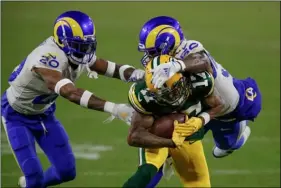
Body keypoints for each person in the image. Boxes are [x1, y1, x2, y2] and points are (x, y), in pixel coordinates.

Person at [1, 10, 144, 188]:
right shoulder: (47, 58)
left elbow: (108, 67)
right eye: (79, 45)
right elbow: (71, 93)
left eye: (87, 45)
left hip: (44, 114)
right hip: (17, 115)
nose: (85, 51)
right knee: (35, 178)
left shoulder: (74, 51)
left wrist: (139, 75)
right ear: (62, 41)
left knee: (67, 171)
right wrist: (113, 108)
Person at [136, 16, 262, 187]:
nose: (148, 57)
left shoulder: (188, 49)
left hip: (227, 110)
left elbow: (201, 62)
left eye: (152, 52)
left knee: (225, 147)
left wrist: (177, 65)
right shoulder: (167, 62)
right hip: (198, 108)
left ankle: (236, 138)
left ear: (167, 45)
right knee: (163, 146)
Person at [123, 54, 223, 187]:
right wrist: (169, 142)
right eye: (165, 94)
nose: (172, 97)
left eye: (174, 90)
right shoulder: (144, 96)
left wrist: (200, 120)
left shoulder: (199, 81)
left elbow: (219, 105)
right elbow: (134, 136)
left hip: (188, 135)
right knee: (145, 173)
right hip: (157, 135)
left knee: (198, 183)